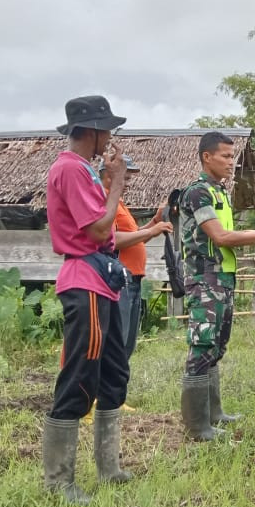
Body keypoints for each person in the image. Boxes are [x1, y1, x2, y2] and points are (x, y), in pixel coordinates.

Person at [43, 95, 131, 504]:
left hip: (103, 279)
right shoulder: (71, 170)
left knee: (114, 371)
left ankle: (108, 468)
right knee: (81, 375)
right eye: (107, 130)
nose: (110, 137)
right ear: (92, 131)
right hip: (85, 281)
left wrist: (109, 183)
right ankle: (60, 482)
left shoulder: (85, 171)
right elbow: (97, 231)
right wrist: (117, 185)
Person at [179, 131, 255, 441]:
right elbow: (222, 237)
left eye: (232, 156)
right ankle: (197, 427)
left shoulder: (220, 193)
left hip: (223, 277)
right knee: (201, 346)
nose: (231, 162)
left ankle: (214, 414)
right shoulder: (197, 193)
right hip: (204, 278)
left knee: (216, 346)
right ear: (206, 157)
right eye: (226, 156)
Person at [102, 155, 173, 370]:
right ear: (109, 176)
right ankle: (106, 397)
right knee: (117, 341)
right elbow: (112, 240)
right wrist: (152, 230)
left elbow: (133, 236)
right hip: (119, 279)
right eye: (125, 178)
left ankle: (116, 395)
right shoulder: (104, 200)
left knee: (127, 341)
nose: (128, 184)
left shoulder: (118, 203)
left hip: (133, 278)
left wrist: (155, 221)